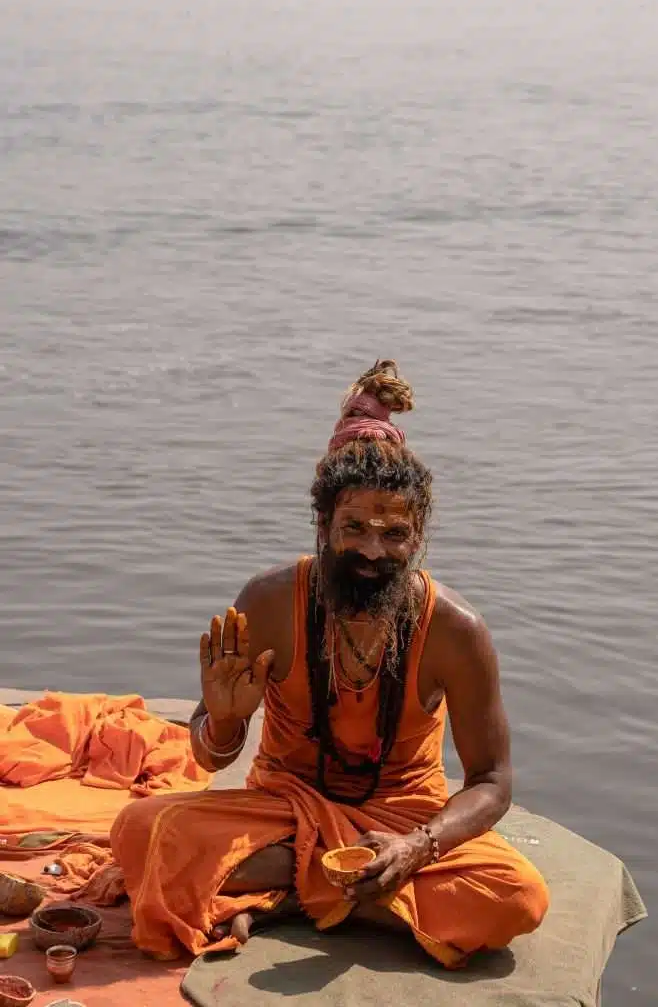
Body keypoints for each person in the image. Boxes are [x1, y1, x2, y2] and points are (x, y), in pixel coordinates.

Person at [110, 359, 549, 966]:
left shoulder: (455, 630)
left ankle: (283, 898)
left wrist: (416, 848)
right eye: (355, 528)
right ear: (322, 525)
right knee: (141, 830)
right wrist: (226, 720)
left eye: (395, 534)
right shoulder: (268, 601)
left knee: (515, 898)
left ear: (418, 535)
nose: (373, 550)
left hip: (399, 821)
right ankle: (350, 897)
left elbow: (493, 782)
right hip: (282, 809)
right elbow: (210, 753)